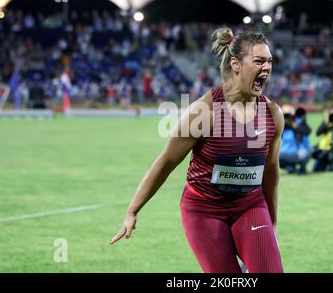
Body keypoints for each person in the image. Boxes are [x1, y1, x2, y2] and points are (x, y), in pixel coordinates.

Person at [110, 27, 284, 273]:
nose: (267, 68)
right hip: (204, 211)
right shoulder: (203, 112)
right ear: (236, 64)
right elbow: (165, 163)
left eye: (270, 62)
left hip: (250, 206)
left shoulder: (273, 114)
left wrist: (272, 223)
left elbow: (270, 172)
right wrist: (132, 211)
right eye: (259, 61)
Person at [279, 106, 312, 175]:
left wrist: (296, 127)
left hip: (300, 152)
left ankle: (302, 169)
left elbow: (308, 131)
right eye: (285, 117)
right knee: (274, 157)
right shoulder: (283, 128)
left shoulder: (300, 123)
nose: (287, 119)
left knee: (303, 154)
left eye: (289, 116)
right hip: (287, 154)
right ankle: (291, 168)